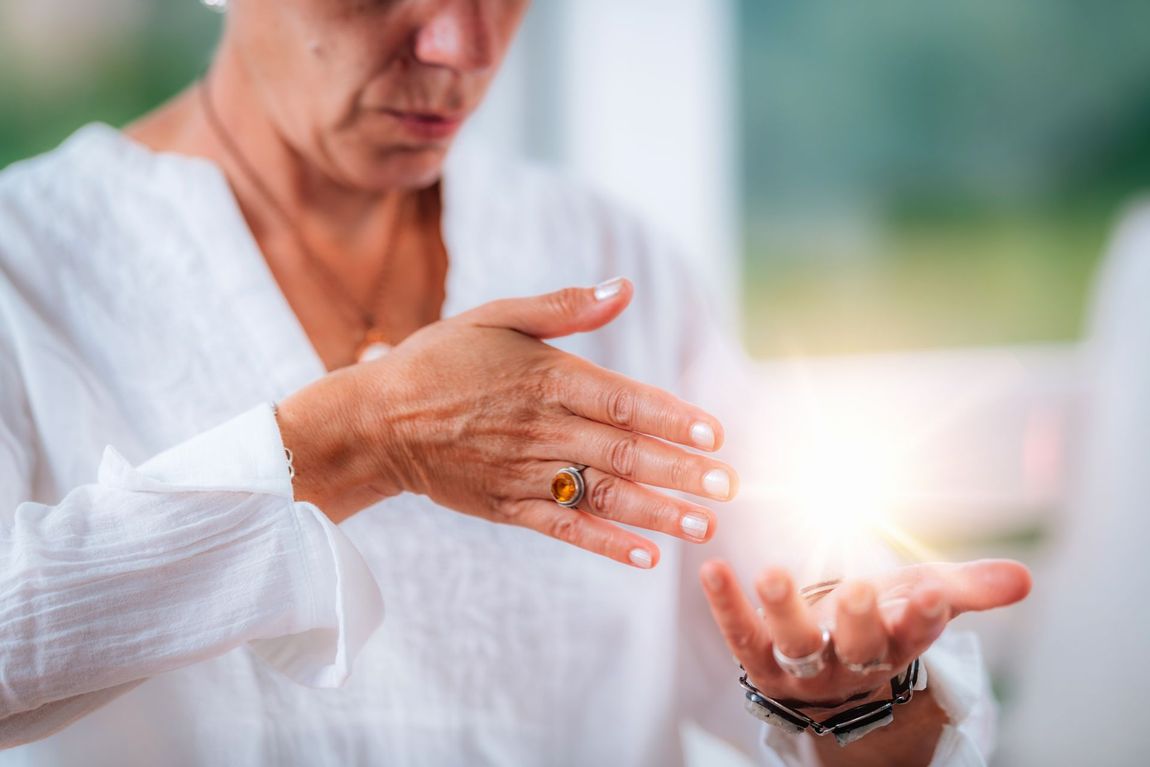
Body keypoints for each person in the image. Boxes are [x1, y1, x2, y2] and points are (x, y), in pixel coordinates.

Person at [0, 1, 1030, 764]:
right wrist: (362, 434)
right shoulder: (26, 267)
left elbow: (819, 683)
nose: (459, 47)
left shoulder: (606, 256)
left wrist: (854, 699)